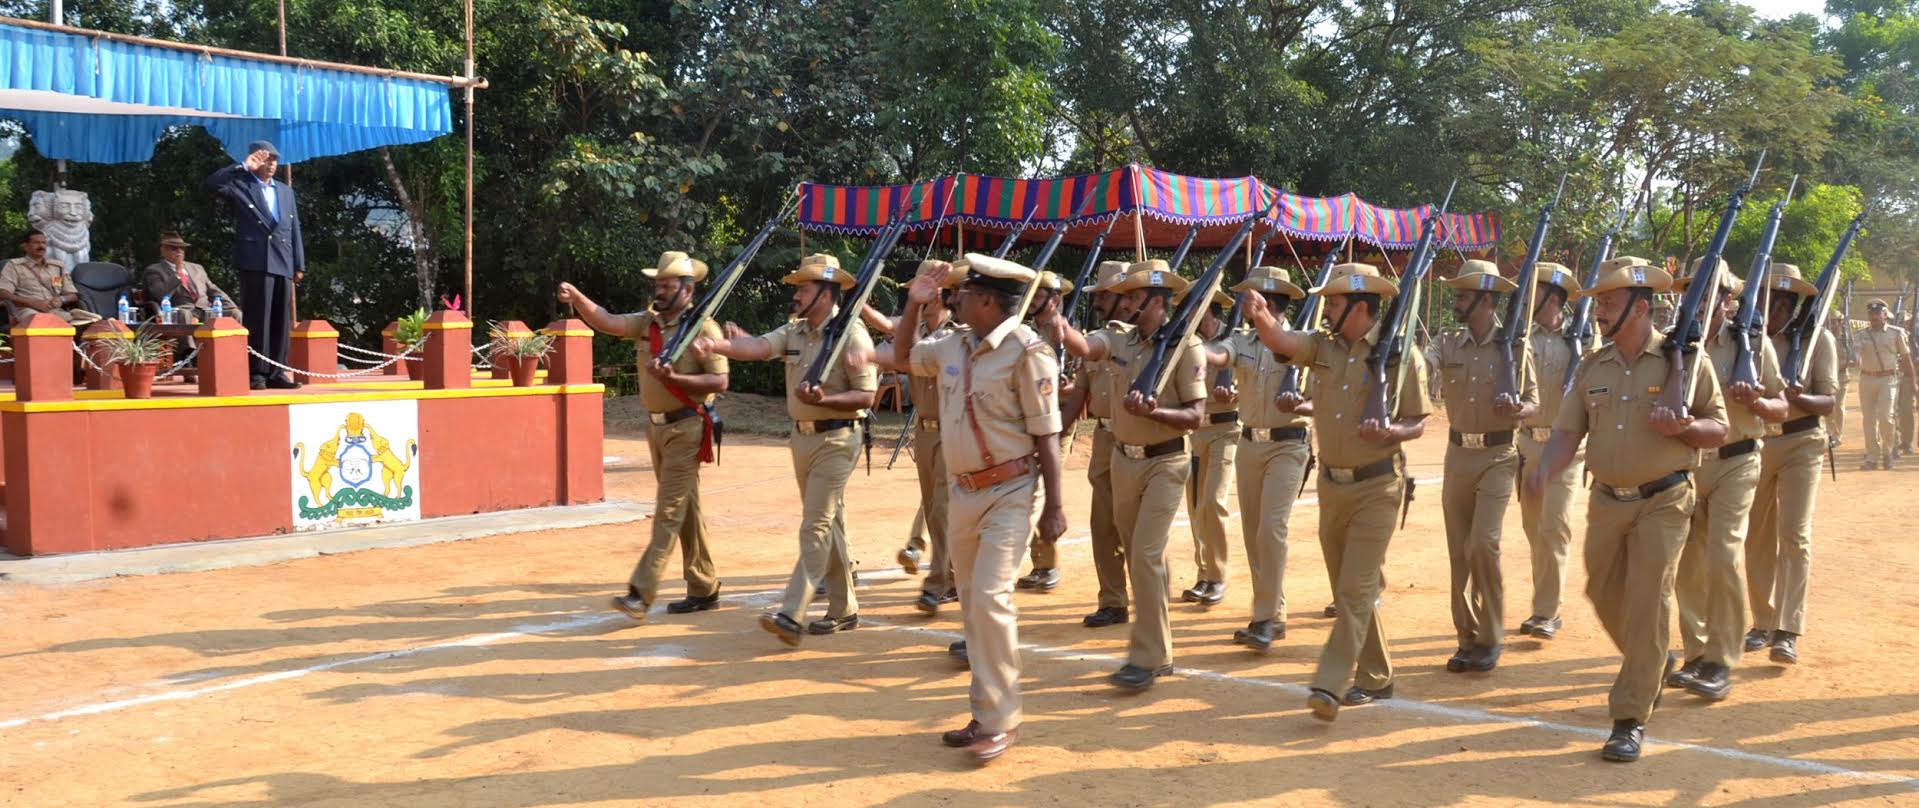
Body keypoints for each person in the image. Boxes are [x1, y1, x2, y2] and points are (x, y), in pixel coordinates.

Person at [1523, 256, 1728, 763]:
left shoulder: (1687, 361)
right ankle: (1654, 659)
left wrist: (1682, 428)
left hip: (1665, 499)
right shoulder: (1593, 365)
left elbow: (1718, 429)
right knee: (1600, 589)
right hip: (1608, 500)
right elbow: (1569, 430)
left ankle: (1629, 716)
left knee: (1649, 598)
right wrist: (1545, 468)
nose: (1599, 311)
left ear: (1640, 306)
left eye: (1609, 302)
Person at [1240, 262, 1433, 721]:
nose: (1326, 310)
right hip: (1332, 485)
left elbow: (1418, 422)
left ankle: (1329, 683)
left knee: (1354, 589)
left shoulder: (1401, 356)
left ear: (1361, 308)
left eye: (1336, 303)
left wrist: (1390, 431)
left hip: (1378, 486)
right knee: (1350, 589)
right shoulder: (1322, 345)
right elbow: (1284, 343)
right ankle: (1377, 677)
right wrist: (1262, 316)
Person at [896, 254, 1066, 764]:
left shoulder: (1027, 354)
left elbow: (1048, 436)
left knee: (990, 599)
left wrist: (1053, 508)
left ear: (988, 300)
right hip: (963, 493)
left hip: (1010, 493)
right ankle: (983, 712)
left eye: (963, 293)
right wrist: (913, 304)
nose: (956, 299)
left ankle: (1001, 718)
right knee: (971, 604)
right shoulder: (953, 344)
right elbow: (903, 357)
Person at [692, 253, 877, 645]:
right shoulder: (795, 331)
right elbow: (759, 347)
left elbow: (867, 394)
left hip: (839, 437)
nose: (796, 294)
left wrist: (825, 399)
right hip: (802, 438)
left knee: (815, 525)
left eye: (804, 288)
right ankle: (845, 609)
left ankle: (792, 613)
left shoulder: (851, 334)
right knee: (830, 523)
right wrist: (718, 346)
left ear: (825, 294)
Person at [1041, 260, 1205, 691]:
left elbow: (1196, 416)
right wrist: (1057, 323)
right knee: (1138, 555)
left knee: (1146, 555)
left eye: (1133, 296)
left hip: (1166, 462)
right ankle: (1159, 647)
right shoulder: (1119, 339)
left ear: (1156, 302)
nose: (1124, 302)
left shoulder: (1186, 349)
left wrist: (1157, 411)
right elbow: (1085, 347)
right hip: (1123, 460)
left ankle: (1148, 657)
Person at [559, 251, 729, 623]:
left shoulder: (704, 328)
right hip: (655, 428)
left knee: (668, 511)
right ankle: (704, 586)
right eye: (658, 284)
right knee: (686, 510)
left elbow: (719, 381)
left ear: (687, 290)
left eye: (668, 285)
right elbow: (608, 321)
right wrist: (578, 297)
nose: (660, 291)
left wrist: (676, 379)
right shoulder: (647, 323)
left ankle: (642, 591)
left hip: (688, 426)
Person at [1664, 262, 1785, 701]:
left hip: (1738, 460)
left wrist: (1757, 399)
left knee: (1723, 554)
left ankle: (1721, 659)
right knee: (1685, 563)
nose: (1695, 302)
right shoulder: (1676, 345)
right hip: (1691, 463)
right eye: (1690, 293)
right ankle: (1697, 652)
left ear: (1728, 301)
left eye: (1707, 294)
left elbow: (1781, 407)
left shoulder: (1751, 343)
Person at [1435, 260, 1538, 673]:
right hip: (1457, 454)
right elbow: (1423, 362)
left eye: (1463, 295)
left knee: (1483, 544)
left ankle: (1491, 634)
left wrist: (1519, 408)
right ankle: (1468, 637)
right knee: (1459, 552)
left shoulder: (1515, 347)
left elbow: (1535, 400)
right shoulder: (1447, 343)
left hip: (1499, 455)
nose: (1456, 301)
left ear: (1485, 300)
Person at [1207, 265, 1309, 649]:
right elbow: (1219, 354)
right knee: (1253, 533)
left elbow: (1322, 393)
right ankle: (1272, 611)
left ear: (1272, 302)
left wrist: (1303, 403)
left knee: (1271, 528)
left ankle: (1265, 617)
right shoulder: (1242, 341)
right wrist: (1193, 347)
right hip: (1250, 442)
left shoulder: (1302, 342)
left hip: (1289, 444)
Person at [1746, 263, 1838, 667]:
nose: (1773, 311)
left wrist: (1794, 395)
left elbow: (1828, 402)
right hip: (1760, 442)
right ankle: (1762, 621)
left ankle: (1787, 629)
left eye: (1782, 304)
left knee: (1794, 536)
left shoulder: (1820, 341)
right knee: (1754, 536)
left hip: (1803, 441)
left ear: (1793, 306)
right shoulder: (1746, 340)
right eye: (1768, 301)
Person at [863, 261, 965, 613]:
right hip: (924, 431)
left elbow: (907, 357)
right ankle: (951, 579)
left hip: (954, 429)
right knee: (935, 510)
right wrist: (858, 301)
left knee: (943, 508)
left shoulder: (959, 330)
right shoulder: (914, 326)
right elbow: (884, 325)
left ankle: (937, 583)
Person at [1058, 261, 1138, 628]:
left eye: (1105, 294)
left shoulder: (1145, 340)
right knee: (1102, 523)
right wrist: (1054, 432)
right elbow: (1079, 394)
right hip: (1105, 438)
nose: (1100, 300)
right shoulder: (1095, 339)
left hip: (1138, 437)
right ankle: (1113, 600)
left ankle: (1150, 600)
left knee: (1138, 528)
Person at [204, 140, 304, 390]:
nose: (270, 164)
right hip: (255, 259)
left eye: (274, 160)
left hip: (283, 258)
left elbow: (294, 229)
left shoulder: (284, 190)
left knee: (281, 320)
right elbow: (212, 185)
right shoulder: (241, 184)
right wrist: (243, 167)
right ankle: (257, 372)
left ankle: (277, 371)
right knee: (259, 318)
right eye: (265, 159)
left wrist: (299, 263)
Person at [1517, 263, 1582, 640]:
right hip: (1528, 443)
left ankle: (1547, 612)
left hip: (1568, 447)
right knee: (1534, 528)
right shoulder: (1520, 338)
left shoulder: (1581, 340)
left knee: (1554, 526)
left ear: (1553, 297)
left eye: (1535, 291)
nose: (1527, 297)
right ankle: (1545, 602)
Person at [1179, 285, 1240, 608]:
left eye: (1193, 308)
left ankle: (1217, 576)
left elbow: (1255, 382)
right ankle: (1203, 573)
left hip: (1226, 429)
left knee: (1213, 502)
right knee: (1194, 507)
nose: (1187, 314)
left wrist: (1235, 393)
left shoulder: (1235, 340)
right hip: (1194, 432)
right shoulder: (1186, 344)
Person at [1015, 270, 1075, 592]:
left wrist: (1067, 388)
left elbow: (1086, 382)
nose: (1034, 300)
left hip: (1059, 422)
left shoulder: (1067, 335)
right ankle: (1040, 562)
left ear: (1055, 299)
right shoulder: (1026, 333)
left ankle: (1048, 564)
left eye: (1041, 295)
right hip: (1032, 421)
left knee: (1041, 489)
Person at [0, 229, 101, 324]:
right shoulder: (14, 266)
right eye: (36, 243)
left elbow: (73, 295)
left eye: (44, 243)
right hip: (27, 311)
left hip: (54, 311)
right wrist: (32, 302)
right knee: (40, 321)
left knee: (94, 321)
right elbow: (3, 293)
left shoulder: (57, 267)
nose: (41, 246)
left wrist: (61, 300)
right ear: (25, 246)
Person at [142, 233, 241, 324]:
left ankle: (237, 343)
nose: (179, 251)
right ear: (163, 250)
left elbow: (213, 290)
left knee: (235, 313)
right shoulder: (154, 270)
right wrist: (178, 272)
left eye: (182, 248)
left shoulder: (197, 268)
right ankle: (188, 344)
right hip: (180, 312)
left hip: (204, 310)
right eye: (174, 248)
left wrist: (231, 305)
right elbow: (161, 295)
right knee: (184, 315)